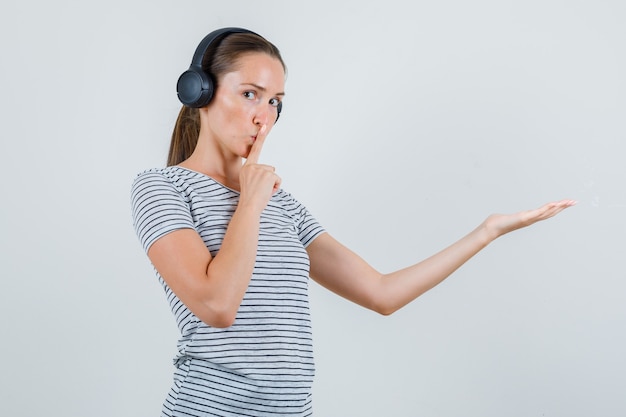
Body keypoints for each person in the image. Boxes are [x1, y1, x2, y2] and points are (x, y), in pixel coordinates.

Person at [130, 27, 575, 417]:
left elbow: (381, 294)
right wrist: (249, 202)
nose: (263, 116)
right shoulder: (162, 188)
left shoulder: (282, 206)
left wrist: (487, 232)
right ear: (199, 92)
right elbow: (217, 306)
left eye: (276, 102)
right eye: (249, 94)